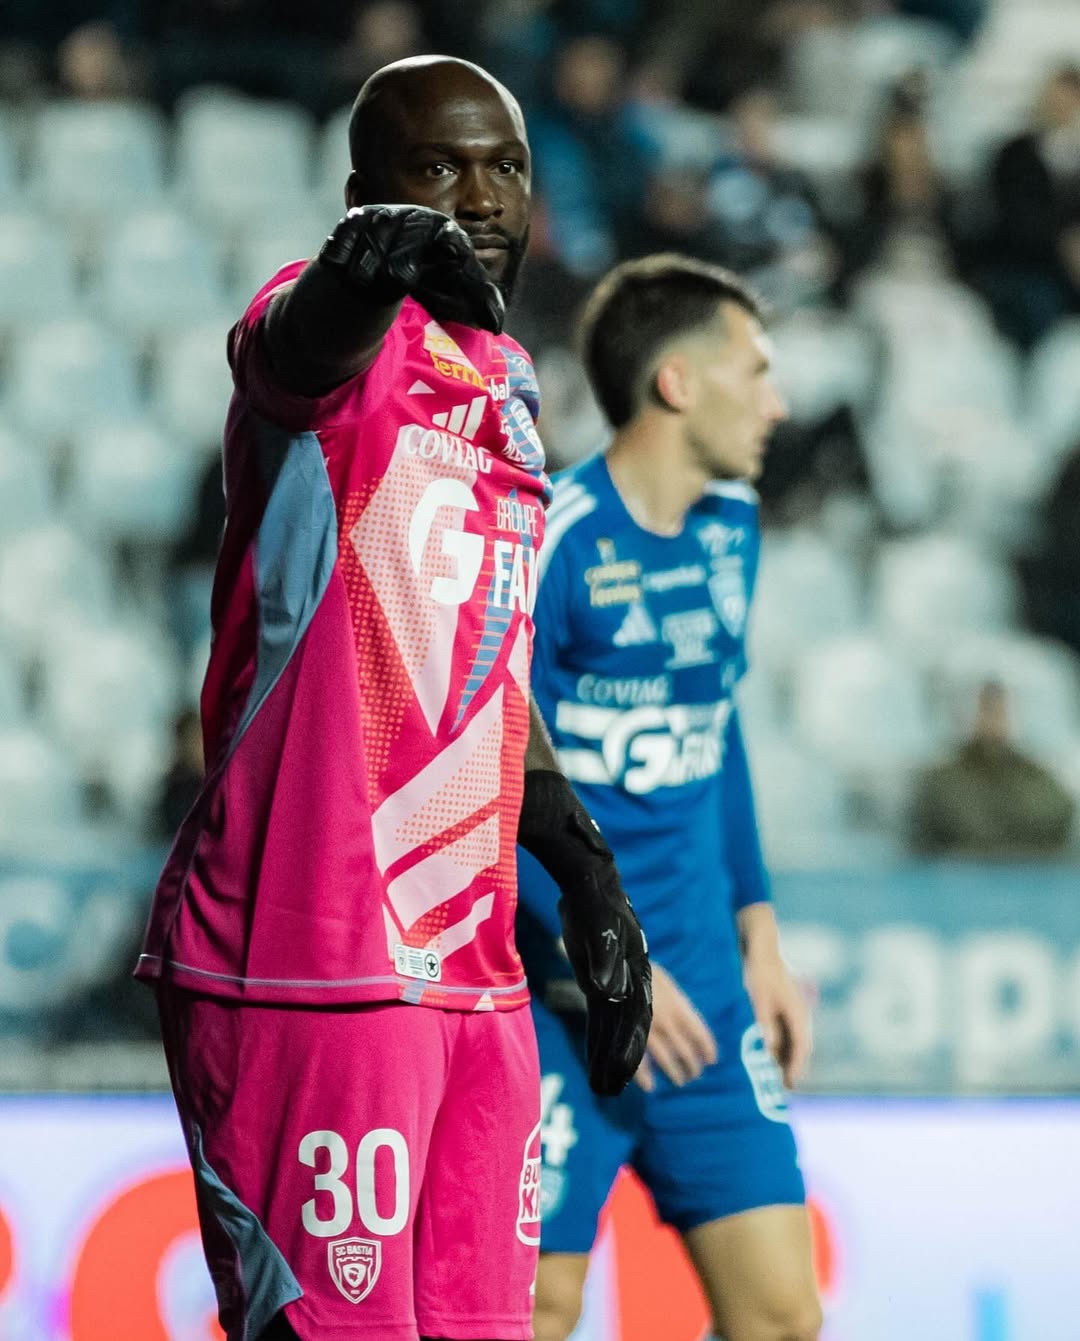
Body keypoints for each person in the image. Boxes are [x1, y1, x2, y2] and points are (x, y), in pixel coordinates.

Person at [135, 55, 651, 1341]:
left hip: (471, 971)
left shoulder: (511, 385)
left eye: (504, 168)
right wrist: (367, 263)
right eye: (437, 168)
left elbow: (484, 652)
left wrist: (582, 866)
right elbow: (297, 343)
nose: (479, 195)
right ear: (366, 190)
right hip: (305, 951)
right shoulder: (318, 343)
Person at [516, 254, 822, 1341]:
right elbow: (492, 783)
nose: (778, 401)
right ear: (679, 383)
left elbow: (715, 730)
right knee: (538, 1312)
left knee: (784, 1316)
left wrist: (761, 936)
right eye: (757, 369)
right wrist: (598, 973)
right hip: (559, 1007)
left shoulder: (732, 527)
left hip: (706, 997)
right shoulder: (552, 541)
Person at [911, 680, 1075, 856]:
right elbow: (960, 828)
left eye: (1001, 712)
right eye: (986, 711)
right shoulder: (943, 780)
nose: (994, 721)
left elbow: (1059, 815)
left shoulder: (1034, 776)